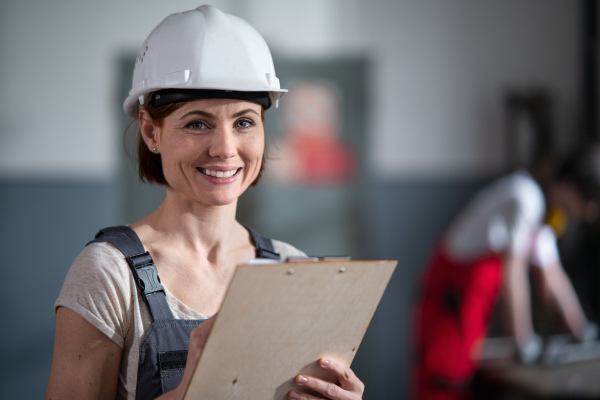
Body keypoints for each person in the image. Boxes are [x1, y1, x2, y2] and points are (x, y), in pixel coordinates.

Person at [45, 6, 365, 400]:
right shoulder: (108, 274)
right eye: (198, 123)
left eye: (244, 122)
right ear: (151, 131)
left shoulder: (293, 269)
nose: (225, 148)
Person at [412, 147, 600, 400]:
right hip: (448, 306)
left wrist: (582, 332)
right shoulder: (524, 196)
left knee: (463, 383)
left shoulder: (543, 213)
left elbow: (554, 279)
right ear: (568, 186)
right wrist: (523, 342)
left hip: (471, 310)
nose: (590, 213)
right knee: (443, 385)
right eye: (588, 202)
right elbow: (514, 275)